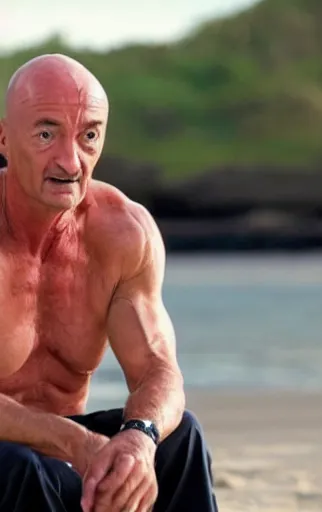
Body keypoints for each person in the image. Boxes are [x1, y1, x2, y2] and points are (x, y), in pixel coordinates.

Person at [0, 54, 218, 512]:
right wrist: (73, 441)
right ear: (3, 138)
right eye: (46, 134)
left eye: (89, 136)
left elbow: (160, 372)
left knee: (180, 439)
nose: (70, 160)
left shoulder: (122, 233)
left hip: (62, 458)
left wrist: (139, 439)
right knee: (20, 466)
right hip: (23, 465)